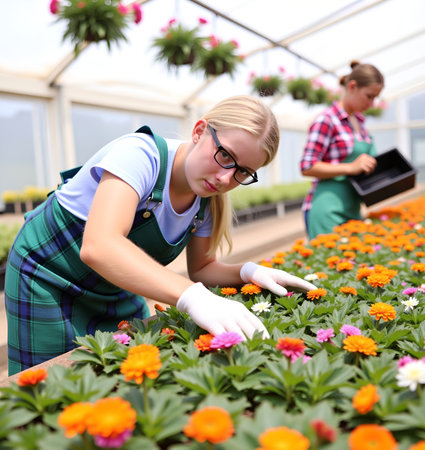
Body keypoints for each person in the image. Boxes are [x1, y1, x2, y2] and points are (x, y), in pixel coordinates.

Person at [5, 95, 316, 375]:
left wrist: (250, 272)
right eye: (224, 155)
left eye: (243, 172)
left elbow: (203, 268)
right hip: (48, 275)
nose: (225, 178)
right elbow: (100, 246)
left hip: (113, 284)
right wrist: (192, 297)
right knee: (51, 384)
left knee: (128, 366)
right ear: (199, 131)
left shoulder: (204, 201)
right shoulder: (141, 156)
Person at [300, 61, 384, 239]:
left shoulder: (360, 123)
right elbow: (307, 166)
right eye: (369, 96)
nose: (371, 103)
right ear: (352, 87)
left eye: (375, 98)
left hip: (353, 208)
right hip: (328, 211)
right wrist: (350, 167)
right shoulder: (327, 120)